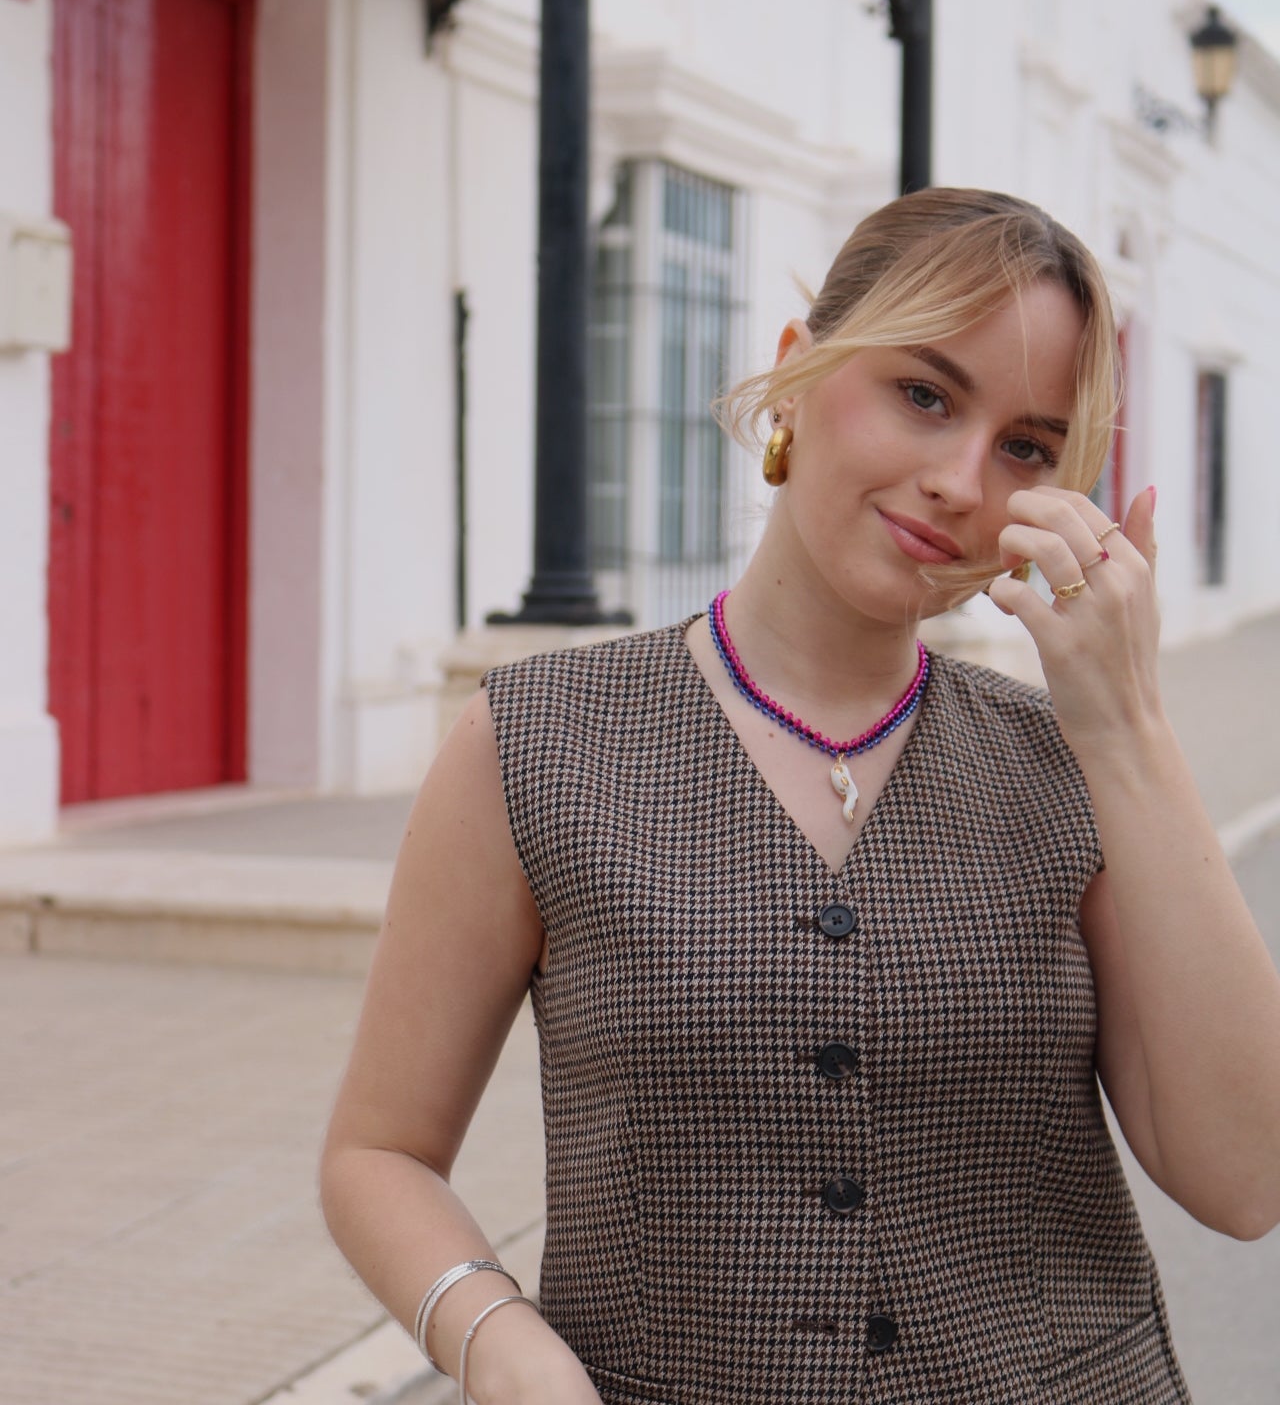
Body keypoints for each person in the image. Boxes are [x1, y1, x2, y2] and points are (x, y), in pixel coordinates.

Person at [320, 188, 1280, 1404]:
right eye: (922, 394)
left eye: (1024, 446)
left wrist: (1127, 727)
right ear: (794, 375)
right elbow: (377, 1151)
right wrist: (496, 1337)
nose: (957, 479)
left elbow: (1243, 1178)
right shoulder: (537, 743)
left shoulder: (1073, 766)